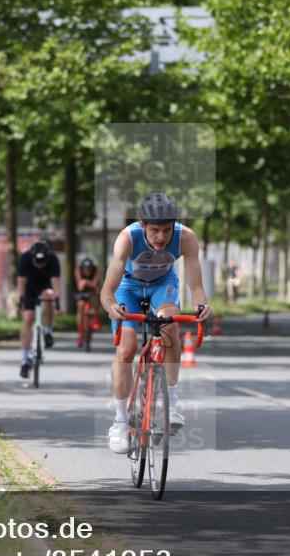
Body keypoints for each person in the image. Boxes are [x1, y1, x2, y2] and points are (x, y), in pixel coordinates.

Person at [101, 192, 211, 454]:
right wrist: (111, 307)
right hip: (128, 287)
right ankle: (119, 421)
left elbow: (196, 286)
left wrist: (202, 305)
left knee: (169, 325)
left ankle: (171, 405)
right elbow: (107, 289)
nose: (161, 237)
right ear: (142, 226)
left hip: (163, 285)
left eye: (166, 230)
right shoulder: (127, 238)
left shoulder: (186, 238)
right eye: (154, 231)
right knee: (126, 350)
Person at [17, 239, 60, 379]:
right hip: (30, 286)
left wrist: (57, 302)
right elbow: (21, 284)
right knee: (28, 318)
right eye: (38, 262)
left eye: (43, 262)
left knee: (49, 295)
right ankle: (24, 359)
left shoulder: (53, 259)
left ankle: (48, 330)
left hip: (45, 284)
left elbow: (56, 284)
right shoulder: (24, 259)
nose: (40, 265)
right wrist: (21, 302)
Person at [74, 256, 102, 342]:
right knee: (80, 305)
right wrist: (85, 283)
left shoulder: (97, 270)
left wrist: (85, 282)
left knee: (96, 299)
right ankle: (80, 330)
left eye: (89, 269)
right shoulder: (78, 270)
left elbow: (94, 284)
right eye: (85, 269)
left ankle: (95, 319)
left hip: (93, 291)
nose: (87, 272)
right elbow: (79, 286)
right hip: (82, 292)